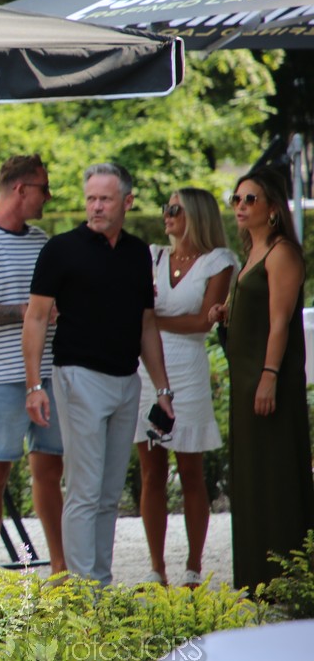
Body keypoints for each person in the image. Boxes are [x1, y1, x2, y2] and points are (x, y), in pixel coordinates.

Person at [23, 162, 175, 586]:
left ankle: (100, 589)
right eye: (91, 198)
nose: (96, 206)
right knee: (85, 491)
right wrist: (34, 385)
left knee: (109, 494)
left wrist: (163, 389)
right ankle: (81, 592)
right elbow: (36, 317)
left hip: (126, 380)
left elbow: (146, 324)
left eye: (105, 199)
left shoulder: (138, 253)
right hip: (78, 376)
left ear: (127, 202)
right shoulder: (61, 249)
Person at [208, 170, 314, 590]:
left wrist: (269, 376)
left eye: (250, 199)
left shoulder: (281, 252)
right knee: (251, 475)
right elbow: (252, 314)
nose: (240, 206)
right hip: (246, 378)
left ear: (272, 207)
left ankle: (287, 574)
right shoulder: (252, 252)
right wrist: (226, 314)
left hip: (269, 379)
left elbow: (280, 322)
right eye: (236, 199)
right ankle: (256, 575)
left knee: (276, 472)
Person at [0, 155, 66, 574]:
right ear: (21, 190)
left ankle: (60, 567)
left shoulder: (41, 240)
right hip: (0, 374)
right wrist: (25, 312)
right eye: (44, 188)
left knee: (50, 469)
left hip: (48, 371)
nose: (49, 196)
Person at [135, 188, 236, 587]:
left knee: (191, 470)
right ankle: (156, 567)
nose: (167, 213)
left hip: (188, 367)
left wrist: (150, 322)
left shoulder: (218, 261)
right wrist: (147, 324)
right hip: (147, 367)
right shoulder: (153, 256)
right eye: (166, 207)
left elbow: (201, 322)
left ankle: (194, 566)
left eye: (174, 208)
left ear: (195, 214)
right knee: (151, 471)